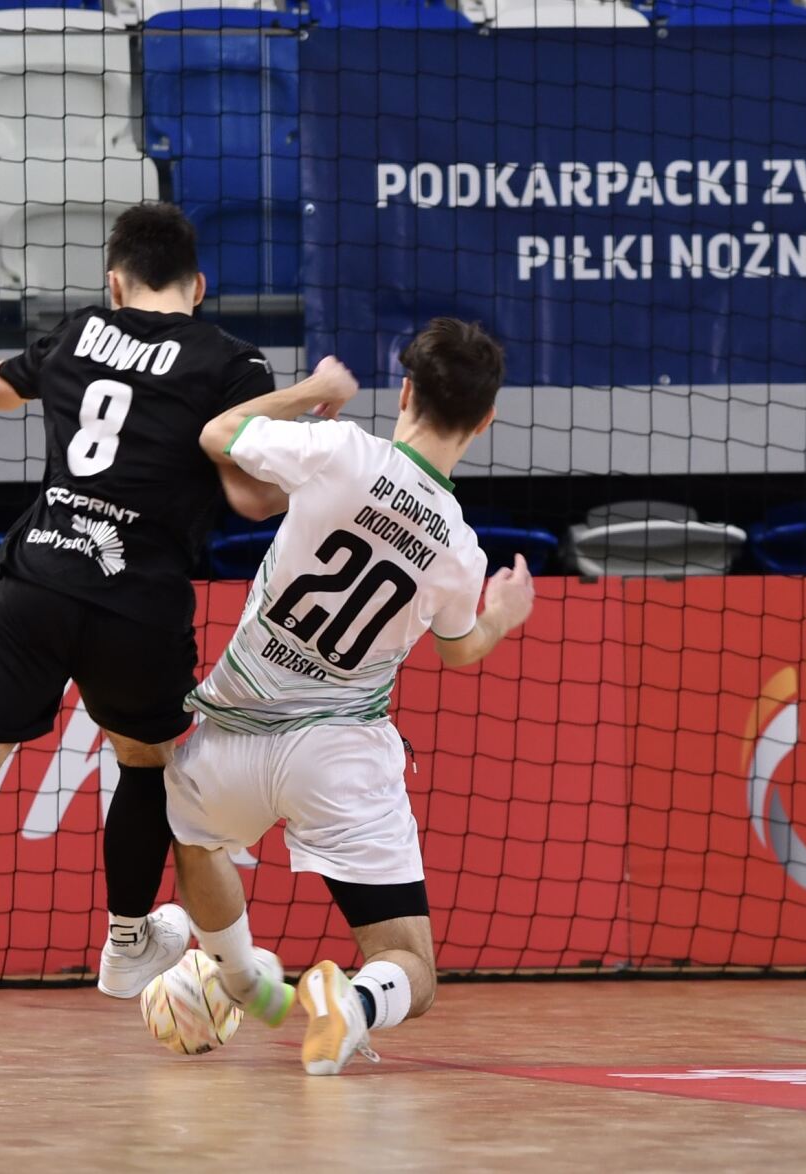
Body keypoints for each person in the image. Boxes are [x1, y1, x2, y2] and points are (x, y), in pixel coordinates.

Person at [0, 202, 354, 1070]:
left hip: (36, 580)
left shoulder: (79, 333)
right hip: (138, 601)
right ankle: (125, 940)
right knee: (146, 762)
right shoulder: (233, 363)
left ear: (115, 282)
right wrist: (314, 413)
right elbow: (250, 496)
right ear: (199, 285)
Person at [163, 318, 535, 1075]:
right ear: (485, 421)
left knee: (195, 840)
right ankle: (356, 1002)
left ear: (404, 393)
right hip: (339, 758)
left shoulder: (339, 450)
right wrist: (502, 614)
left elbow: (218, 433)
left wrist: (312, 391)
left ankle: (240, 977)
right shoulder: (461, 552)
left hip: (232, 734)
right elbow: (459, 649)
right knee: (410, 962)